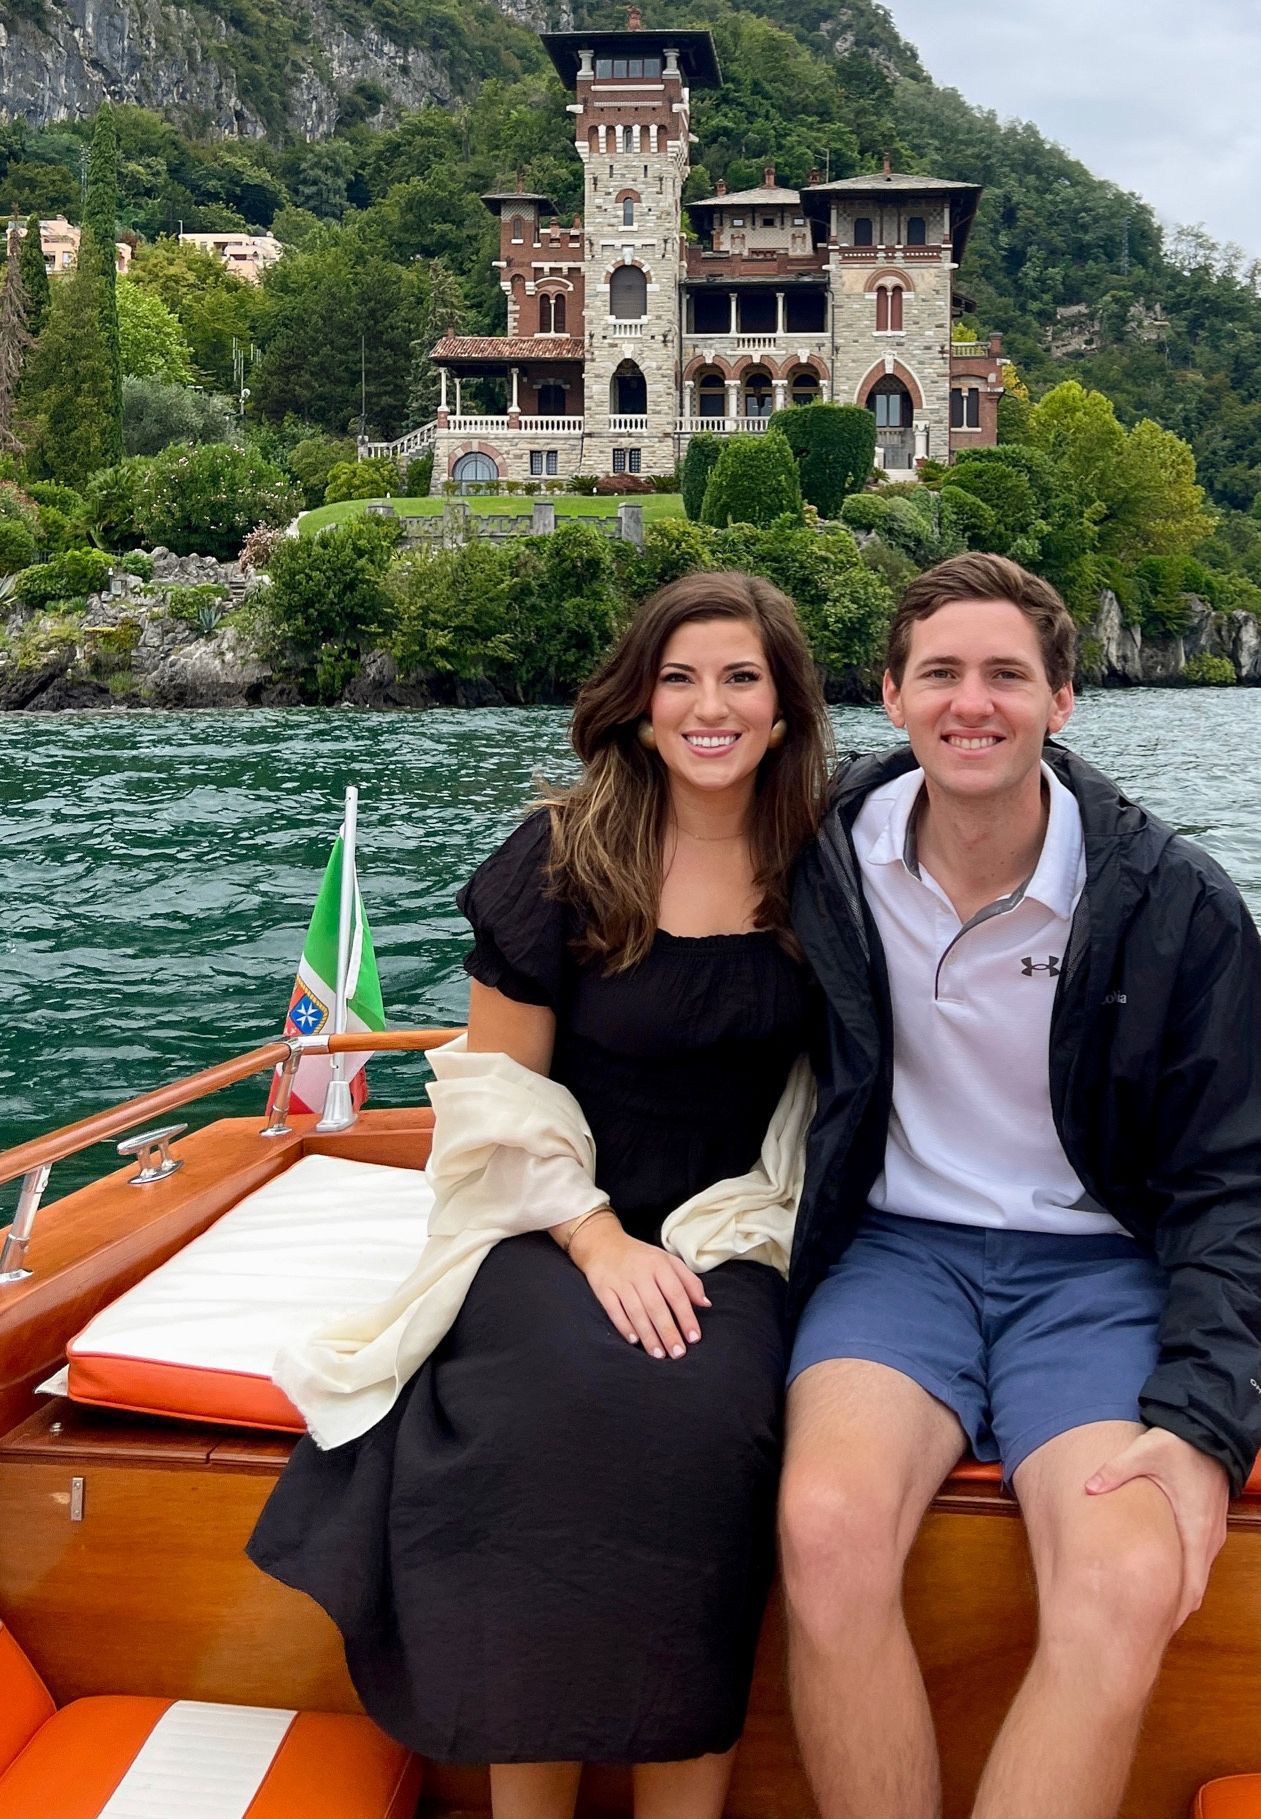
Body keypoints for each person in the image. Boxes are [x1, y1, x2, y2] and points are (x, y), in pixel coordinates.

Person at [249, 572, 831, 1819]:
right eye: (678, 677)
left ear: (785, 709)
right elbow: (498, 1099)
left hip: (740, 1223)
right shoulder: (563, 857)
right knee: (550, 1406)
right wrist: (597, 1237)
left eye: (741, 677)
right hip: (546, 1210)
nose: (709, 705)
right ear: (637, 704)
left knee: (710, 1424)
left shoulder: (826, 872)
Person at [778, 552, 1261, 1819]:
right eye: (943, 673)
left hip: (1096, 1269)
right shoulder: (818, 858)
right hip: (894, 1255)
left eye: (1008, 674)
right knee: (823, 1530)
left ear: (1063, 699)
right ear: (893, 696)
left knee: (1129, 1576)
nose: (975, 702)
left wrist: (1202, 1416)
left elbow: (1248, 1170)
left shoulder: (1167, 898)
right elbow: (650, 881)